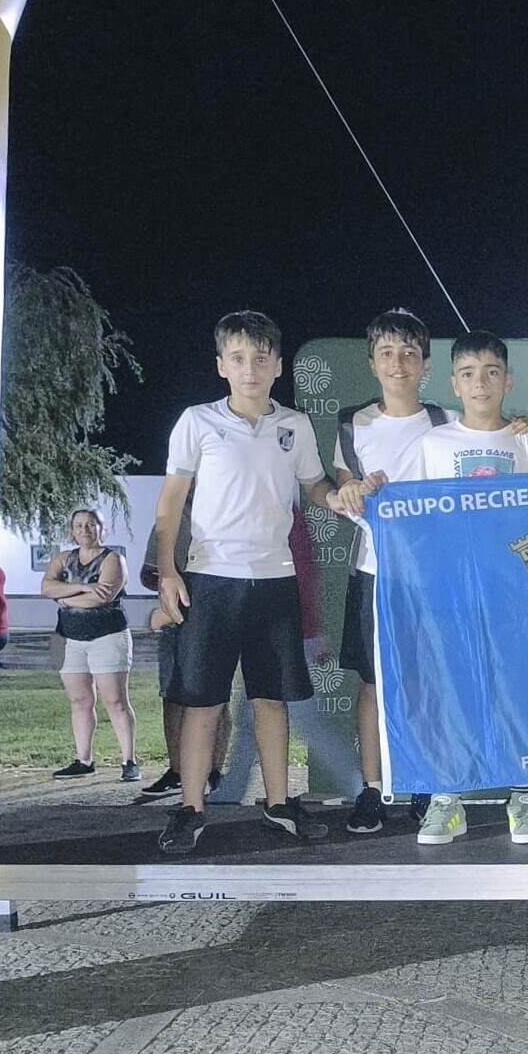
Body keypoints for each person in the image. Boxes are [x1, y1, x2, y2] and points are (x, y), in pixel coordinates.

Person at [152, 310, 339, 856]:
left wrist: (342, 497)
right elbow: (170, 502)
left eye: (261, 358)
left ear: (278, 365)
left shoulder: (295, 426)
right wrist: (168, 571)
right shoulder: (197, 421)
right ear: (221, 366)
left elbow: (316, 486)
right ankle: (191, 808)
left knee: (271, 700)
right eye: (238, 358)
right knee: (203, 703)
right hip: (211, 580)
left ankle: (279, 804)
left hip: (275, 580)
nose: (250, 369)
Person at [412, 331, 528, 846]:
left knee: (516, 690)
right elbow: (415, 516)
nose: (480, 383)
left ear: (508, 381)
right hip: (452, 590)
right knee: (452, 689)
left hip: (512, 590)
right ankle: (447, 798)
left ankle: (523, 795)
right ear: (454, 383)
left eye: (491, 372)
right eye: (468, 374)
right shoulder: (435, 443)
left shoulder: (526, 440)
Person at [328, 308, 457, 835]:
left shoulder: (449, 422)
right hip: (375, 573)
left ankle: (427, 784)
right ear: (372, 363)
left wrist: (520, 430)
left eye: (409, 353)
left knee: (428, 684)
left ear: (426, 364)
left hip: (433, 577)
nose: (398, 363)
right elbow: (343, 492)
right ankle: (372, 789)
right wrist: (351, 492)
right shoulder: (352, 424)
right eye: (387, 353)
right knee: (374, 685)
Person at [137, 492, 228, 802]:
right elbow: (148, 572)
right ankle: (177, 770)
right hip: (176, 621)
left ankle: (214, 770)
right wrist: (174, 581)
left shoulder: (224, 516)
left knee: (217, 698)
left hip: (215, 621)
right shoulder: (168, 522)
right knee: (173, 696)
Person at [42, 508, 139, 781]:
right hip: (68, 638)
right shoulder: (64, 559)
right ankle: (84, 760)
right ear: (72, 530)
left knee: (115, 700)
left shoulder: (113, 559)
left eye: (90, 525)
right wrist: (85, 588)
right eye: (79, 525)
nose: (84, 530)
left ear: (101, 529)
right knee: (79, 700)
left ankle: (129, 761)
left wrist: (65, 596)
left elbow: (103, 597)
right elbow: (46, 588)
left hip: (107, 636)